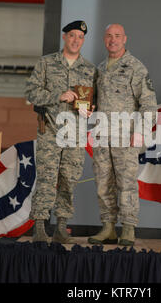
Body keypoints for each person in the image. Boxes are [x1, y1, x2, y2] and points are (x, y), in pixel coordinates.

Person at [25, 20, 96, 244]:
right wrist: (58, 95)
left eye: (80, 37)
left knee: (69, 179)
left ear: (83, 41)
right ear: (64, 37)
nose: (76, 40)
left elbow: (94, 102)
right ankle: (39, 227)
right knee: (47, 178)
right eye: (72, 35)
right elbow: (31, 93)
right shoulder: (46, 63)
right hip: (50, 131)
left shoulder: (89, 69)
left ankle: (62, 227)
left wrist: (91, 109)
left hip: (75, 134)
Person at [88, 24, 157, 246]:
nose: (113, 40)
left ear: (125, 39)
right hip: (102, 136)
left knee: (127, 183)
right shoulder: (100, 68)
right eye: (109, 36)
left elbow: (149, 105)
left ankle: (128, 227)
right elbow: (95, 101)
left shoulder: (136, 67)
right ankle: (108, 227)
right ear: (104, 39)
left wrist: (140, 132)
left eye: (117, 36)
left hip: (126, 136)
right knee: (102, 183)